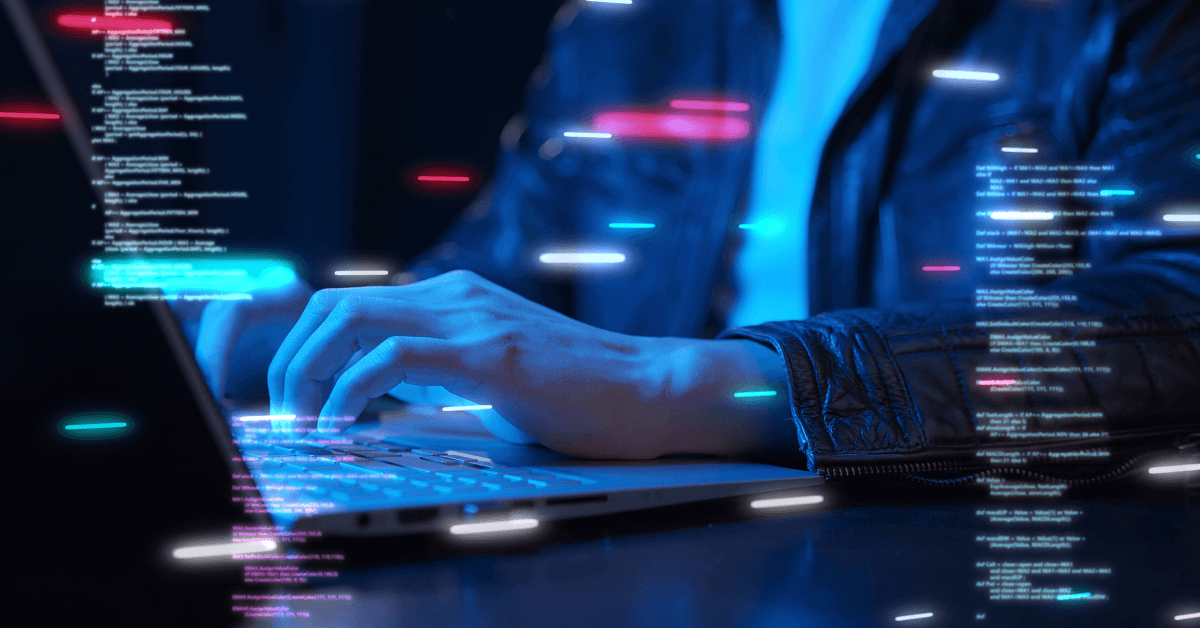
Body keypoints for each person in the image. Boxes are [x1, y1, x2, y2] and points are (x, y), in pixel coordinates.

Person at [175, 0, 1200, 474]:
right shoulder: (627, 23)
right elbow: (482, 291)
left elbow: (1179, 316)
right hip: (650, 533)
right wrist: (232, 333)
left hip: (957, 543)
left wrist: (684, 384)